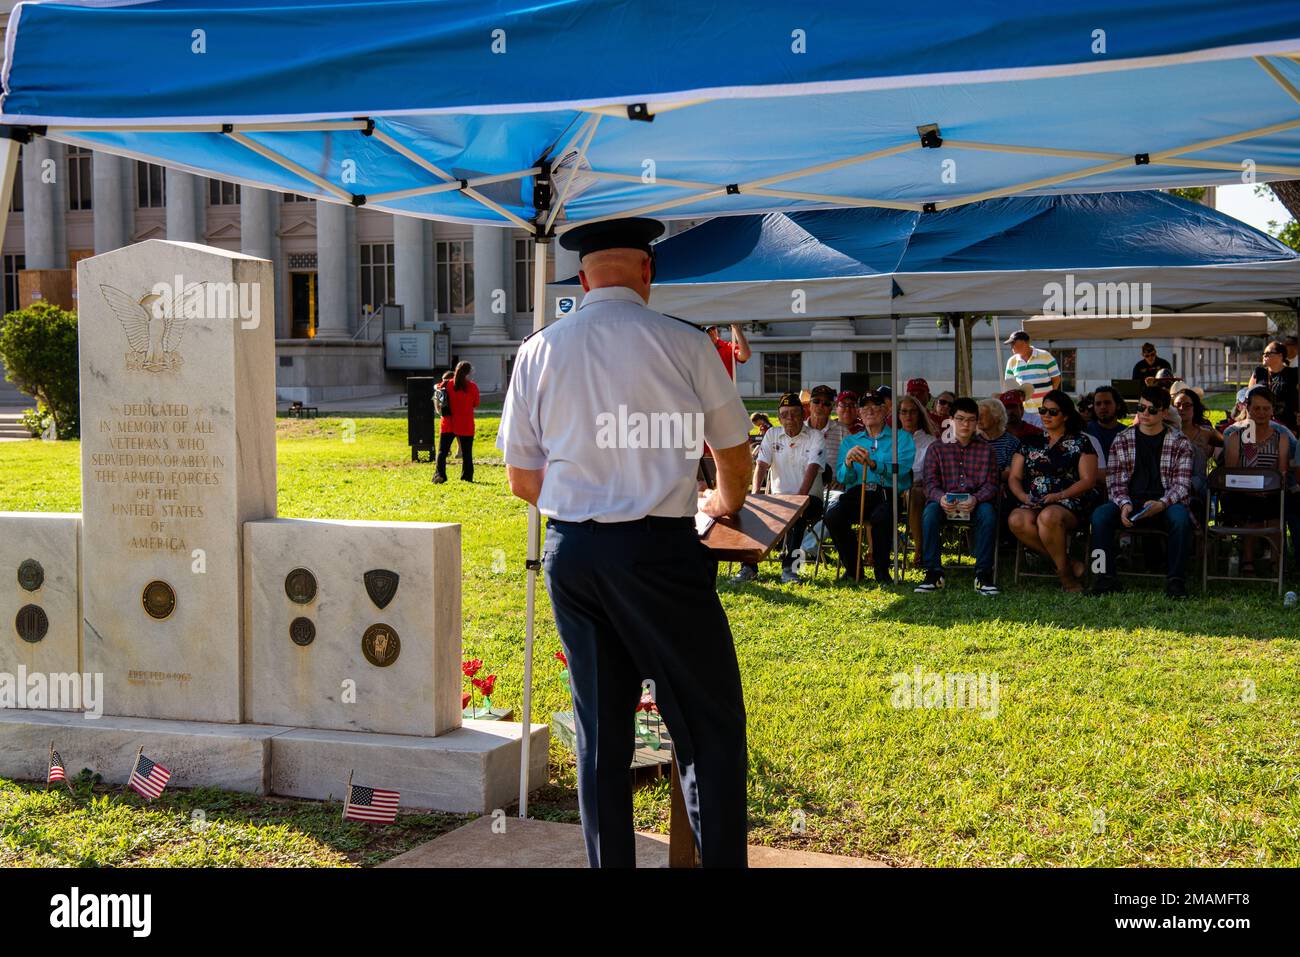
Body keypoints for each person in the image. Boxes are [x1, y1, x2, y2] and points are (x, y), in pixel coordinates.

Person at [497, 217, 753, 868]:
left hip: (574, 554)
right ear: (648, 272)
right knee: (706, 723)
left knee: (603, 733)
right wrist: (722, 502)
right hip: (659, 552)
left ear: (581, 279)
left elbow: (522, 479)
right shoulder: (686, 343)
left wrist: (588, 496)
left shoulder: (538, 349)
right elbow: (733, 451)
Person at [1089, 387, 1196, 598]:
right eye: (1140, 408)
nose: (1145, 414)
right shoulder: (1122, 439)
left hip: (1165, 503)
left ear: (1165, 412)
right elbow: (1115, 482)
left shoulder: (1180, 442)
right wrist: (1124, 504)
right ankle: (1103, 577)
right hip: (1130, 502)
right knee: (1099, 516)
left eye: (1152, 410)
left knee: (1181, 519)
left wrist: (1162, 504)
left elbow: (1182, 486)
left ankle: (1176, 580)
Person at [1007, 390, 1100, 592]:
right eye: (1043, 410)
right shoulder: (1030, 442)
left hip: (1069, 501)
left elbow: (1088, 480)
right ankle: (1067, 564)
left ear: (1065, 415)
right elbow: (1014, 477)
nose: (1046, 416)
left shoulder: (1080, 442)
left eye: (1053, 412)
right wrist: (1022, 496)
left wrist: (1059, 496)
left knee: (1048, 517)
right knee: (1016, 519)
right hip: (1033, 500)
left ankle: (1066, 579)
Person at [733, 393, 825, 584]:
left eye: (794, 413)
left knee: (798, 515)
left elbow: (813, 468)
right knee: (751, 511)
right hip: (778, 500)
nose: (789, 418)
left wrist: (799, 500)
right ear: (779, 416)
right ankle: (748, 568)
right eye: (784, 414)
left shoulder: (815, 436)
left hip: (810, 499)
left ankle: (790, 570)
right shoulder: (772, 434)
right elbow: (761, 465)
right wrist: (756, 493)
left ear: (803, 413)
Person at [824, 393, 915, 584]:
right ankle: (853, 570)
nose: (870, 411)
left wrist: (874, 465)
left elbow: (903, 470)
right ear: (859, 413)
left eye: (876, 406)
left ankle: (882, 572)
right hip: (858, 493)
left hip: (886, 493)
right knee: (833, 516)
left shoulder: (901, 438)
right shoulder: (850, 441)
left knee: (881, 517)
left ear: (886, 410)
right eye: (865, 408)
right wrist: (848, 462)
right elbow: (842, 477)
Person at [915, 398, 1001, 596]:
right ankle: (933, 573)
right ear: (950, 420)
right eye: (960, 419)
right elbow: (929, 483)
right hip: (945, 500)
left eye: (971, 420)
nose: (965, 424)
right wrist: (940, 498)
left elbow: (991, 484)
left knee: (988, 514)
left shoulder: (987, 450)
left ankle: (983, 575)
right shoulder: (936, 448)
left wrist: (976, 499)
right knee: (930, 513)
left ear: (977, 422)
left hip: (975, 501)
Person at [1222, 386, 1294, 575]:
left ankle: (1273, 561)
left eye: (1266, 408)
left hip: (1271, 493)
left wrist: (1267, 487)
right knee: (1252, 505)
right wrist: (1251, 487)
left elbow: (1282, 473)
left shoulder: (1281, 437)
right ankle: (1249, 560)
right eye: (1257, 408)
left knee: (1273, 503)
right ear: (1248, 408)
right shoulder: (1236, 437)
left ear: (1272, 410)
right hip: (1241, 494)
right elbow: (1231, 475)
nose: (1261, 413)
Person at [897, 394, 938, 566]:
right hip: (894, 487)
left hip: (919, 489)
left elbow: (932, 473)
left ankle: (919, 549)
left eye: (912, 412)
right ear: (898, 415)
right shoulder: (892, 440)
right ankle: (873, 551)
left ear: (919, 415)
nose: (908, 416)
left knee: (914, 494)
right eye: (904, 412)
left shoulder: (930, 442)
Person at [1171, 385, 1222, 496]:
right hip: (1171, 486)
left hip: (1198, 490)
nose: (1181, 409)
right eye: (1177, 405)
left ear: (1195, 408)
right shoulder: (1166, 432)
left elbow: (1227, 444)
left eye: (1187, 405)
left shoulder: (1206, 432)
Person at [433, 360, 480, 483]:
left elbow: (437, 396)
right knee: (467, 453)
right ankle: (467, 477)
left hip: (448, 423)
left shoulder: (446, 384)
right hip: (466, 424)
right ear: (468, 373)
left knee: (442, 452)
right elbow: (476, 404)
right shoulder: (472, 387)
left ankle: (440, 475)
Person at [1003, 330, 1061, 426]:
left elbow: (1056, 379)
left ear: (1025, 342)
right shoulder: (1011, 361)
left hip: (1045, 412)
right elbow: (1010, 386)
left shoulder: (1045, 356)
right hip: (1024, 413)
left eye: (1013, 343)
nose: (1011, 346)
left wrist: (1049, 400)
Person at [1249, 339, 1299, 433]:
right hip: (1262, 424)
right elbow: (1249, 397)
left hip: (1288, 426)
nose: (1264, 356)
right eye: (1263, 353)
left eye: (1268, 353)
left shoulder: (1294, 373)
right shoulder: (1259, 372)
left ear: (1280, 356)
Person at [822, 390, 862, 481]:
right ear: (836, 408)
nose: (848, 409)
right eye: (843, 405)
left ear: (857, 409)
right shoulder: (828, 428)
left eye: (852, 405)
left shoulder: (864, 430)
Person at [1086, 385, 1126, 461]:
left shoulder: (1127, 434)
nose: (1102, 407)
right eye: (1098, 404)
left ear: (1118, 405)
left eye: (1107, 402)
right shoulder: (1085, 431)